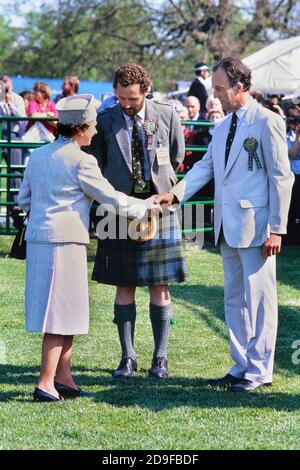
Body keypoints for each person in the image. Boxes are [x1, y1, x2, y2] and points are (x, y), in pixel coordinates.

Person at [155, 56, 294, 392]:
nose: (214, 95)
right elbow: (205, 167)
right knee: (234, 299)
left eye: (219, 88)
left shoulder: (267, 122)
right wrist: (174, 195)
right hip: (227, 225)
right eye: (214, 88)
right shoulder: (222, 127)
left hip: (257, 226)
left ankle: (260, 370)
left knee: (260, 300)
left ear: (240, 87)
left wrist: (277, 228)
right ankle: (241, 363)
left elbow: (281, 177)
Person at [17, 94, 156, 402]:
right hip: (64, 243)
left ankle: (64, 378)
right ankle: (45, 382)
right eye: (92, 125)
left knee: (65, 313)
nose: (95, 130)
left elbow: (22, 200)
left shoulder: (38, 155)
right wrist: (144, 207)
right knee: (57, 316)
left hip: (42, 240)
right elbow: (112, 198)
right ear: (79, 128)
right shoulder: (82, 160)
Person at [89, 62, 187, 379]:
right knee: (124, 286)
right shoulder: (105, 121)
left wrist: (159, 195)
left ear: (145, 91)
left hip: (160, 208)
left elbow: (176, 157)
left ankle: (160, 358)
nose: (127, 105)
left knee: (160, 287)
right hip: (119, 212)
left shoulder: (167, 115)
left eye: (132, 99)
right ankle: (127, 358)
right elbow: (99, 165)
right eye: (121, 99)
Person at [0, 75, 26, 207]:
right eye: (2, 83)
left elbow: (22, 117)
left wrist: (9, 103)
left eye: (6, 82)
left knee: (15, 172)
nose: (5, 85)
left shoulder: (17, 98)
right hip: (0, 133)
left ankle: (15, 207)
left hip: (13, 135)